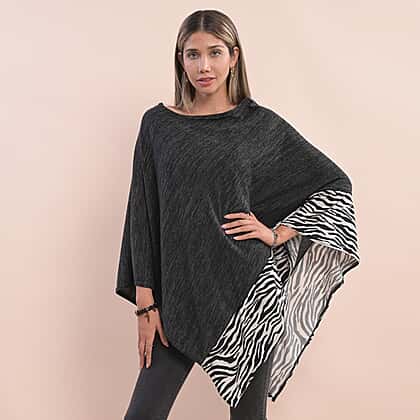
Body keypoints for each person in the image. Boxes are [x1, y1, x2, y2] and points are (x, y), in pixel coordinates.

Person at [116, 9, 360, 420]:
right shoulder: (158, 125)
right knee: (143, 414)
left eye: (215, 53)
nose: (204, 66)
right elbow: (142, 214)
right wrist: (145, 304)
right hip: (175, 297)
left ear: (234, 56)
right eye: (193, 54)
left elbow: (334, 182)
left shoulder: (259, 125)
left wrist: (278, 233)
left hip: (249, 298)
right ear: (180, 60)